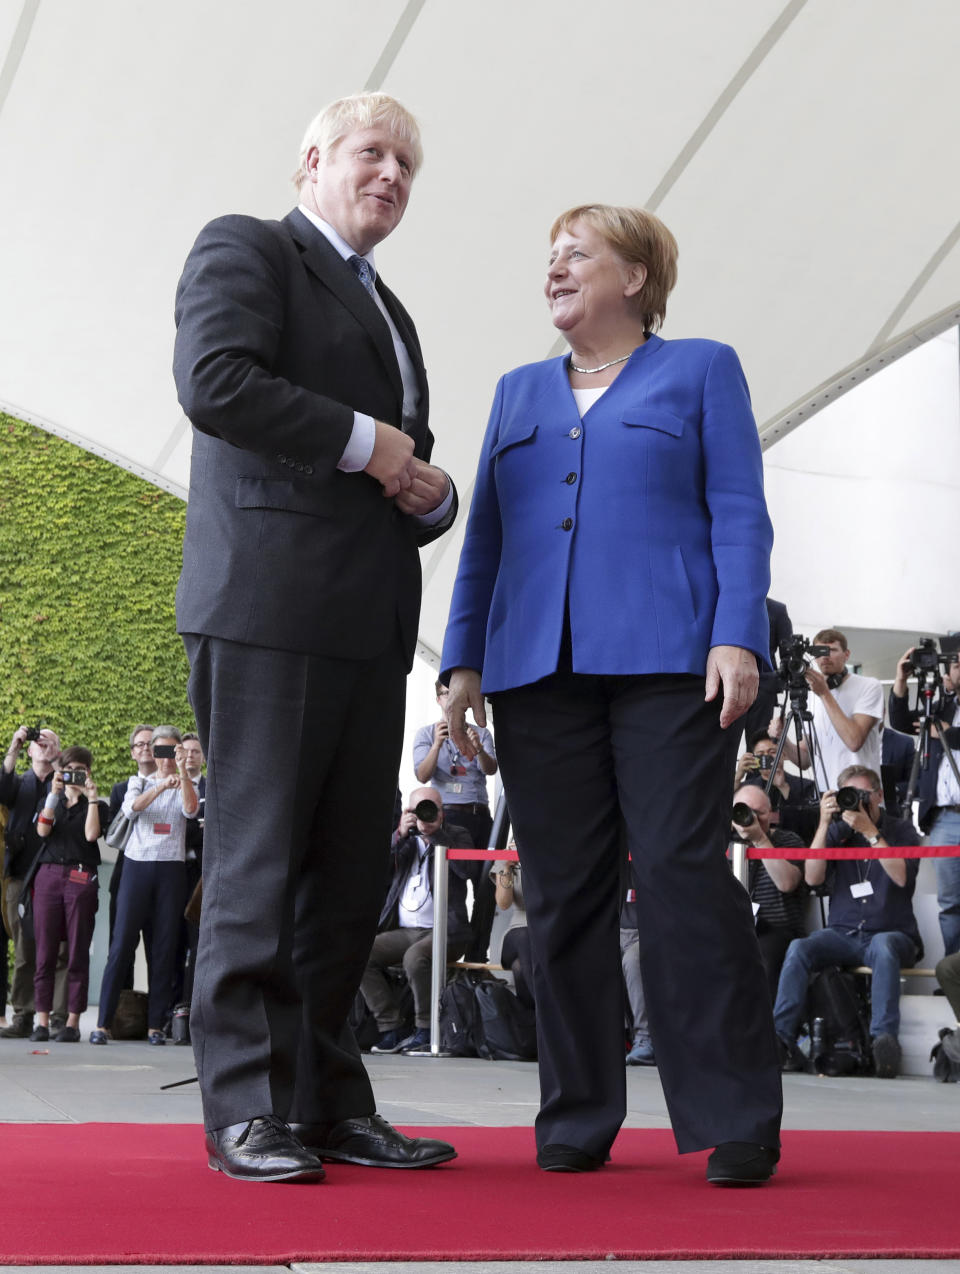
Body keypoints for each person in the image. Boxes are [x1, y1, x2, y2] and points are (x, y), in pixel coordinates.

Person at [441, 203, 782, 1184]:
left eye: (577, 254)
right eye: (549, 255)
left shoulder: (703, 367)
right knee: (561, 894)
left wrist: (736, 631)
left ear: (634, 277)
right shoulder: (516, 392)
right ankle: (579, 1109)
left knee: (679, 873)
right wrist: (463, 660)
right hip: (536, 672)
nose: (554, 268)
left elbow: (738, 511)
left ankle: (734, 1110)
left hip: (673, 660)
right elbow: (489, 542)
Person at [173, 92, 458, 1181]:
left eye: (407, 167)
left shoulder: (392, 308)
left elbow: (405, 457)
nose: (391, 176)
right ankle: (245, 1106)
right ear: (312, 160)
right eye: (373, 153)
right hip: (268, 606)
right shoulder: (248, 247)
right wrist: (369, 442)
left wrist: (428, 491)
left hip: (364, 619)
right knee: (258, 864)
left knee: (344, 878)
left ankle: (327, 1097)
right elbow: (215, 382)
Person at [773, 765, 922, 1079]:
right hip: (844, 934)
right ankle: (780, 1039)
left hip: (891, 933)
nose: (858, 802)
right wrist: (825, 823)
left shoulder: (902, 830)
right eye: (849, 795)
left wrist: (870, 832)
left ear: (879, 796)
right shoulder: (838, 834)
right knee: (800, 947)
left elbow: (901, 877)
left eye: (864, 795)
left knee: (882, 946)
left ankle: (884, 1041)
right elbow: (813, 878)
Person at [91, 727, 197, 1046]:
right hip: (137, 867)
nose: (165, 758)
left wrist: (180, 772)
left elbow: (191, 810)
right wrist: (162, 784)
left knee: (164, 947)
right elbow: (132, 808)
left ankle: (155, 1024)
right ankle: (103, 1023)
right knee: (122, 943)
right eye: (161, 751)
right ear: (152, 752)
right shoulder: (140, 781)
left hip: (171, 870)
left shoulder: (183, 783)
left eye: (172, 752)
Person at [360, 788, 472, 1055]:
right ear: (407, 812)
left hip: (445, 930)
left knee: (415, 958)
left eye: (431, 807)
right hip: (405, 931)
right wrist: (399, 835)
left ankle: (426, 1030)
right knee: (361, 955)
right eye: (418, 808)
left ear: (442, 812)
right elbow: (376, 872)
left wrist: (437, 836)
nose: (426, 813)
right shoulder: (404, 839)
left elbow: (468, 870)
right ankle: (391, 1027)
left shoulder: (458, 835)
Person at [413, 681, 498, 959]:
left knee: (486, 888)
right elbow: (422, 775)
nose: (451, 699)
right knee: (451, 887)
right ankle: (447, 953)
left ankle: (476, 956)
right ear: (438, 699)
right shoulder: (427, 734)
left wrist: (479, 749)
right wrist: (437, 745)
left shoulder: (481, 732)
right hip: (447, 817)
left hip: (478, 814)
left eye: (455, 693)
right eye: (446, 694)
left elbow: (491, 769)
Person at [889, 645, 960, 955]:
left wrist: (949, 733)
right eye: (956, 663)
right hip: (945, 818)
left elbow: (944, 733)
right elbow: (903, 723)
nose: (958, 668)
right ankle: (953, 975)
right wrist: (902, 681)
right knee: (951, 902)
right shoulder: (941, 705)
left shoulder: (945, 720)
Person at [31, 747, 105, 1042]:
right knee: (45, 952)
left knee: (77, 951)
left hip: (81, 875)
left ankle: (73, 1022)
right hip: (49, 875)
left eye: (81, 768)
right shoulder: (52, 800)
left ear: (88, 771)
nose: (75, 773)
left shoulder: (95, 803)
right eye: (69, 768)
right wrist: (53, 794)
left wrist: (91, 798)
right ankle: (41, 1021)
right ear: (60, 771)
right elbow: (42, 831)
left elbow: (91, 835)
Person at [0, 726, 68, 1039]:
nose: (42, 746)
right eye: (38, 744)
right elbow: (3, 789)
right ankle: (23, 1014)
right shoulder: (20, 783)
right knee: (25, 949)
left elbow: (71, 800)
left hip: (55, 872)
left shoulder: (64, 778)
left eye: (50, 743)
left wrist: (58, 762)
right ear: (29, 751)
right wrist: (14, 745)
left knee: (59, 948)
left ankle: (56, 1016)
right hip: (20, 874)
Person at [769, 629, 883, 790]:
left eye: (832, 650)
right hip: (826, 794)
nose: (825, 656)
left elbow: (854, 741)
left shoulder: (869, 686)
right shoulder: (813, 694)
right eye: (819, 651)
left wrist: (824, 693)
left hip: (861, 792)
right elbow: (805, 760)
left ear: (847, 654)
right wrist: (783, 739)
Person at [731, 783, 807, 1003]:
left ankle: (769, 1030)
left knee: (764, 954)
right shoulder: (721, 842)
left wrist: (760, 840)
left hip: (776, 929)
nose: (751, 818)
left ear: (771, 814)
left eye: (759, 813)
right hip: (731, 927)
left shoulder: (789, 840)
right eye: (744, 810)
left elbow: (787, 883)